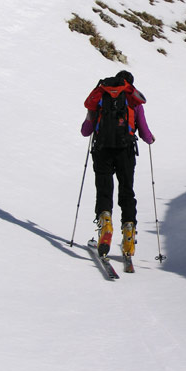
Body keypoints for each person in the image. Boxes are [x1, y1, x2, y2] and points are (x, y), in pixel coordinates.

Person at [81, 70, 155, 257]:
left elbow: (85, 130)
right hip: (126, 151)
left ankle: (105, 223)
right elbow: (144, 132)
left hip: (102, 150)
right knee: (126, 192)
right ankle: (128, 233)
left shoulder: (100, 95)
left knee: (104, 190)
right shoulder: (133, 99)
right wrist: (150, 139)